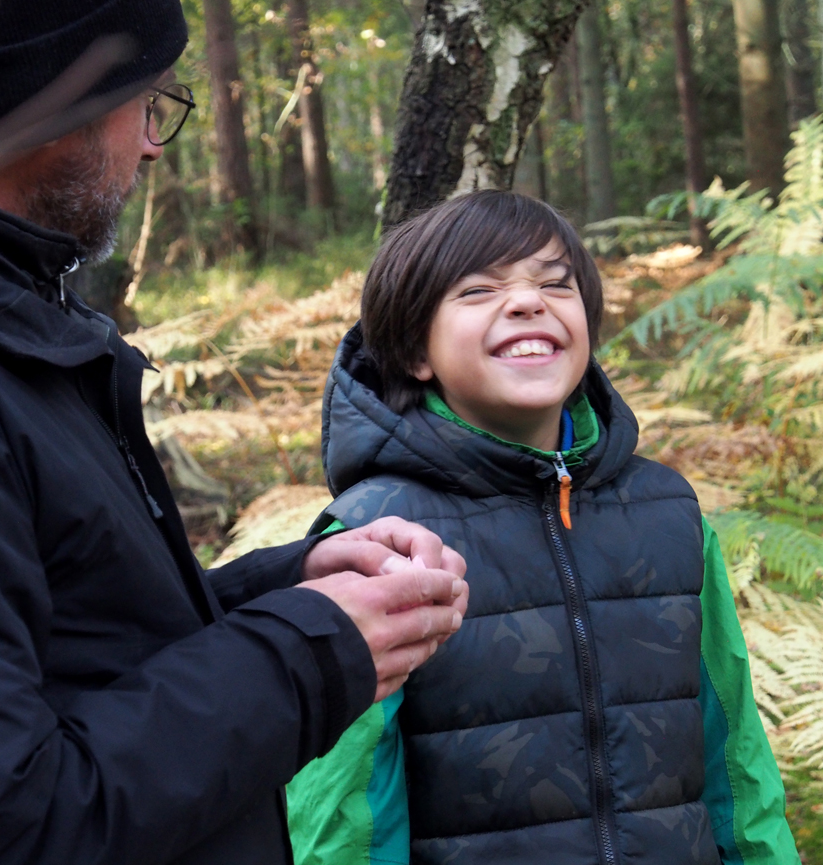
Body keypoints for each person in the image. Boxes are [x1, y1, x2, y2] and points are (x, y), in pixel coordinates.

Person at [0, 3, 469, 864]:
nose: (155, 144)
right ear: (54, 109)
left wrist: (286, 586)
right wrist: (312, 649)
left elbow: (57, 642)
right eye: (148, 101)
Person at [286, 190, 799, 865]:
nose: (529, 302)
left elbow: (736, 760)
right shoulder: (379, 535)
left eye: (556, 284)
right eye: (478, 289)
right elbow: (344, 812)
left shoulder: (667, 513)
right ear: (416, 350)